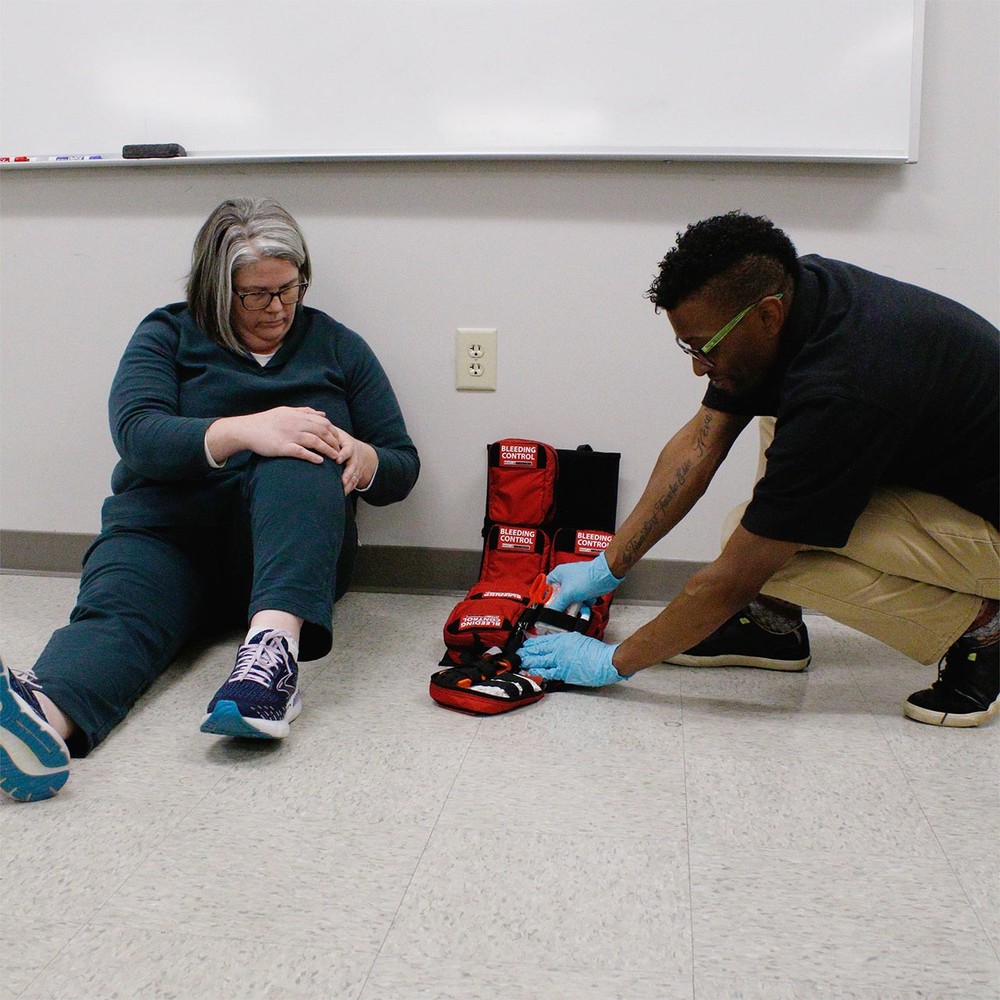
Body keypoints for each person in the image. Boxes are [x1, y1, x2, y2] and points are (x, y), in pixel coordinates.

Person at [0, 197, 419, 802]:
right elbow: (138, 433)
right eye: (256, 294)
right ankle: (42, 720)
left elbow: (402, 463)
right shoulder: (167, 332)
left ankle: (269, 664)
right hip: (165, 536)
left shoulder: (337, 346)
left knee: (301, 449)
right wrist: (246, 429)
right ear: (217, 289)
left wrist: (367, 458)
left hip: (283, 560)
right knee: (119, 620)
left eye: (289, 289)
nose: (277, 308)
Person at [519, 211, 999, 729]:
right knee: (782, 441)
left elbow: (730, 578)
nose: (698, 366)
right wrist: (608, 564)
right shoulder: (800, 295)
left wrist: (614, 663)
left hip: (987, 522)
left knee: (764, 545)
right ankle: (772, 626)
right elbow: (700, 445)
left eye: (706, 347)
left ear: (767, 316)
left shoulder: (842, 386)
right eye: (688, 346)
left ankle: (984, 633)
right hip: (953, 474)